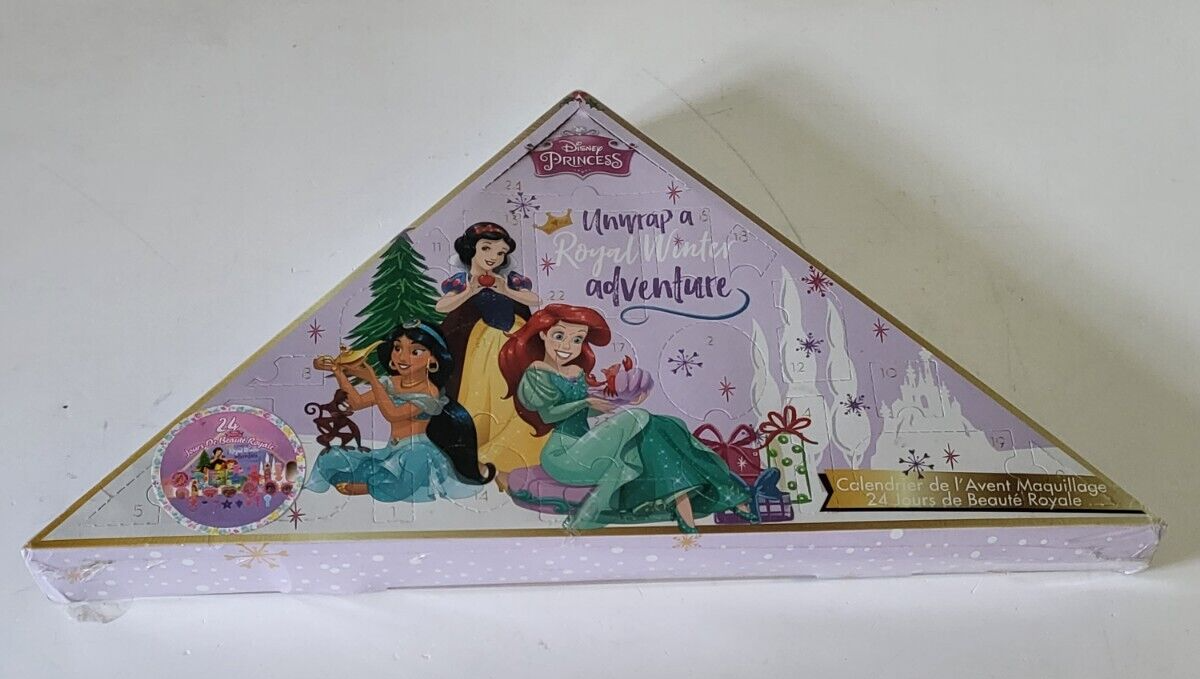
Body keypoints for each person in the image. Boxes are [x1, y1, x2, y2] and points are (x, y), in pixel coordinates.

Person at [498, 304, 756, 533]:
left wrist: (624, 401)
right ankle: (721, 495)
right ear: (543, 334)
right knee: (641, 418)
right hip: (564, 455)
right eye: (559, 336)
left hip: (587, 448)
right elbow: (548, 414)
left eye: (577, 340)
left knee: (662, 424)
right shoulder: (536, 372)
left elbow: (590, 410)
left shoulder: (575, 370)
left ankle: (684, 501)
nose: (567, 346)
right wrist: (585, 402)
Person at [307, 322, 494, 502]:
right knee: (331, 456)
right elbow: (356, 403)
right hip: (391, 451)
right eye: (397, 348)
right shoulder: (392, 383)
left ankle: (368, 487)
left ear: (433, 359)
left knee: (412, 462)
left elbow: (393, 414)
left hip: (418, 452)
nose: (402, 358)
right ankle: (352, 483)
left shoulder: (430, 391)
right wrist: (337, 371)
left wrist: (373, 379)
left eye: (415, 351)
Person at [436, 222, 543, 488]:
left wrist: (505, 290)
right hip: (481, 346)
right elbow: (442, 306)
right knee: (483, 396)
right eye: (487, 248)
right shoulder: (461, 282)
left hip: (515, 342)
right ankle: (481, 452)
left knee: (516, 396)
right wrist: (470, 291)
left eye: (500, 252)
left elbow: (534, 300)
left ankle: (514, 455)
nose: (494, 257)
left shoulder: (509, 280)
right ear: (471, 250)